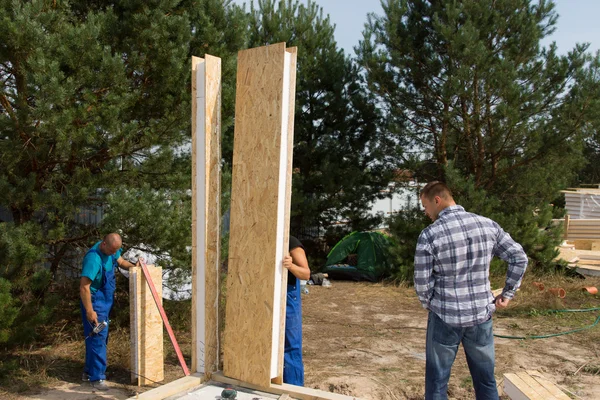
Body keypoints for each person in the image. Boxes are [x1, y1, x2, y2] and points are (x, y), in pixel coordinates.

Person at [414, 181, 528, 400]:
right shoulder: (487, 225)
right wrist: (507, 293)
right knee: (485, 381)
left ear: (437, 200)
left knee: (437, 383)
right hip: (480, 316)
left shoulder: (429, 235)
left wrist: (429, 303)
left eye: (425, 206)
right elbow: (518, 257)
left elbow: (422, 281)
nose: (426, 212)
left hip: (445, 317)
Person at [80, 233, 137, 391]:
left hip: (105, 301)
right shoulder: (93, 259)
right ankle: (97, 378)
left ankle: (88, 373)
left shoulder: (111, 249)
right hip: (95, 301)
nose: (114, 254)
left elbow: (121, 261)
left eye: (115, 251)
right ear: (103, 244)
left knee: (99, 338)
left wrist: (134, 266)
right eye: (112, 251)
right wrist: (89, 311)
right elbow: (84, 287)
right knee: (98, 338)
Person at [282, 236, 310, 386]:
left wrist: (290, 266)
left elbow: (306, 274)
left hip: (288, 294)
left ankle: (294, 388)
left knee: (291, 344)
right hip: (269, 294)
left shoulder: (291, 242)